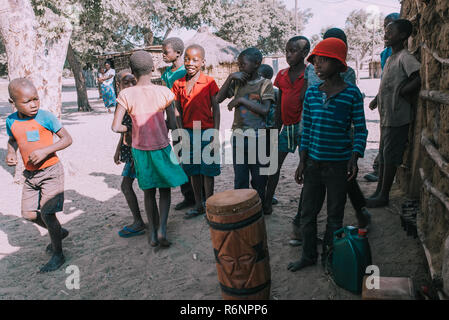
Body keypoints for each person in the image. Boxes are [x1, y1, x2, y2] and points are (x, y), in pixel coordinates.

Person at [287, 38, 368, 271]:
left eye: (323, 61)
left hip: (338, 166)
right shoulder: (312, 93)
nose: (317, 66)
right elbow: (307, 130)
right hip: (313, 164)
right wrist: (302, 162)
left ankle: (330, 258)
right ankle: (308, 256)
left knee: (335, 216)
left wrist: (354, 157)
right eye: (315, 62)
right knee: (308, 214)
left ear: (337, 63)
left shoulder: (352, 94)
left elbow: (360, 129)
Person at [112, 50, 188, 248]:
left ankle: (152, 233)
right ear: (152, 68)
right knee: (164, 190)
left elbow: (115, 127)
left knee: (148, 192)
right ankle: (163, 229)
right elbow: (172, 123)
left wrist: (131, 128)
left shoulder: (126, 94)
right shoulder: (164, 92)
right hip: (162, 146)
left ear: (133, 71)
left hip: (140, 150)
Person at [5, 78, 73, 272]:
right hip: (30, 175)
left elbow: (67, 139)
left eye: (36, 99)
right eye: (27, 101)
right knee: (28, 214)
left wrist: (45, 150)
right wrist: (11, 152)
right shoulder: (11, 120)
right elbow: (13, 140)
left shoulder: (46, 117)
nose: (34, 104)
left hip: (51, 171)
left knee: (47, 213)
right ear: (13, 103)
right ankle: (58, 232)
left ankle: (58, 254)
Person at [366, 19, 421, 208]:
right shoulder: (391, 57)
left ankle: (383, 195)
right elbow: (387, 83)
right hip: (387, 115)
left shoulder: (405, 57)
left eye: (390, 32)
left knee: (389, 157)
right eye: (386, 31)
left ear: (403, 36)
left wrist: (403, 91)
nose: (386, 35)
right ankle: (379, 191)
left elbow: (417, 77)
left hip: (398, 116)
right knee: (383, 154)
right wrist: (377, 99)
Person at [216, 47, 275, 207]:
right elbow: (217, 99)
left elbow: (264, 109)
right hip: (239, 138)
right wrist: (229, 78)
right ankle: (243, 212)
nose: (240, 68)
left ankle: (259, 210)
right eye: (239, 65)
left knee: (259, 179)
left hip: (259, 139)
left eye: (243, 64)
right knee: (240, 179)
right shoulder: (237, 83)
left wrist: (241, 100)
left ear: (256, 64)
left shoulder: (265, 84)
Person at [172, 44, 221, 219]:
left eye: (195, 59)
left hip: (207, 132)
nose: (190, 63)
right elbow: (177, 110)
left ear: (203, 62)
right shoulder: (178, 83)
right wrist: (180, 132)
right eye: (187, 59)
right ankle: (199, 204)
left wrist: (215, 133)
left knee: (208, 170)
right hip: (188, 132)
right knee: (193, 169)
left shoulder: (209, 83)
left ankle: (210, 204)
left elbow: (216, 109)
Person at [263, 36, 310, 216]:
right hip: (287, 128)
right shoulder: (282, 75)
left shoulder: (309, 74)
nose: (288, 55)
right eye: (287, 51)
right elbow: (280, 103)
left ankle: (303, 210)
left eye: (293, 51)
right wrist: (276, 128)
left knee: (306, 168)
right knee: (273, 165)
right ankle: (267, 202)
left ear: (305, 53)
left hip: (304, 128)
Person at [364, 12, 401, 183]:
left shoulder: (403, 55)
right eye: (385, 27)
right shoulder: (386, 53)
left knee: (388, 140)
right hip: (385, 101)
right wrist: (378, 97)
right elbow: (385, 80)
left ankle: (380, 170)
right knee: (384, 136)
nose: (386, 31)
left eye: (390, 26)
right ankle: (379, 169)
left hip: (395, 104)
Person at [161, 37, 196, 211]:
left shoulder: (185, 72)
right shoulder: (166, 74)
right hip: (172, 122)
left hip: (185, 120)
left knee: (192, 159)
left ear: (178, 53)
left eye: (165, 52)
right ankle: (188, 196)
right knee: (180, 159)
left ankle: (199, 197)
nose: (163, 55)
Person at [112, 70, 146, 238]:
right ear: (119, 85)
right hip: (129, 149)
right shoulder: (123, 102)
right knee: (129, 186)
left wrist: (128, 130)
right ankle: (141, 221)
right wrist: (118, 149)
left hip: (138, 150)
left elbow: (137, 127)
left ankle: (141, 222)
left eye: (134, 82)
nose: (131, 86)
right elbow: (122, 132)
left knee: (131, 185)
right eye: (126, 83)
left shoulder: (137, 102)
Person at [258, 64, 279, 206]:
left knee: (267, 165)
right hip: (259, 132)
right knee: (259, 165)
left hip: (270, 132)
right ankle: (261, 194)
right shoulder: (255, 90)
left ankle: (267, 195)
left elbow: (279, 112)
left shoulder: (276, 92)